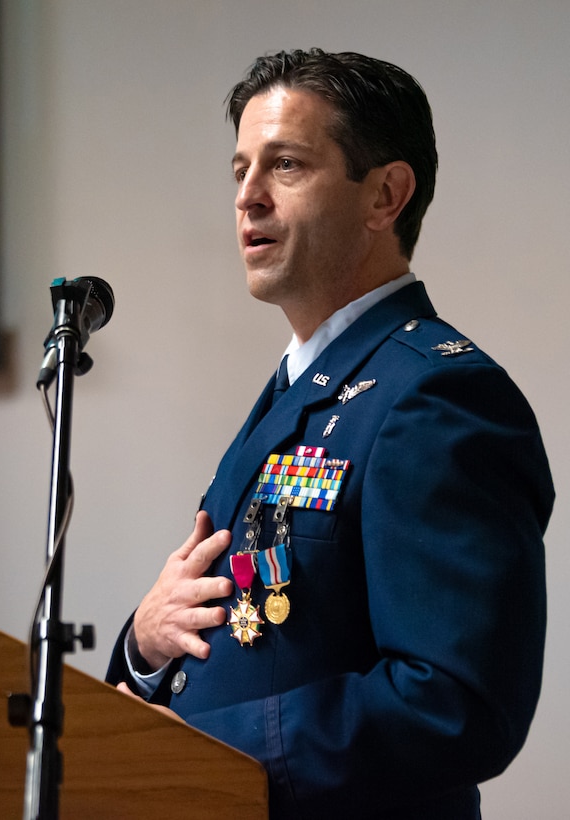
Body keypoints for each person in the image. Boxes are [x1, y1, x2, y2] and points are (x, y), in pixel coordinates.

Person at [107, 49, 554, 819]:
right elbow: (246, 639)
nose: (247, 196)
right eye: (240, 169)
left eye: (285, 166)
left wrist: (204, 752)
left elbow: (455, 701)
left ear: (386, 193)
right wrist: (144, 648)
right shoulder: (303, 386)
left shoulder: (436, 394)